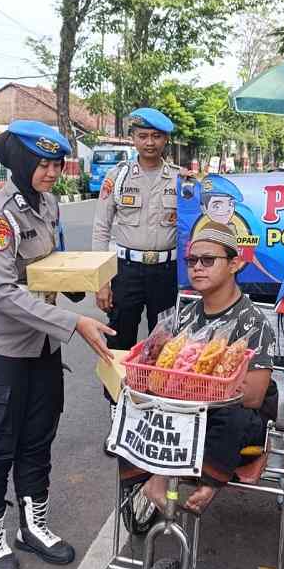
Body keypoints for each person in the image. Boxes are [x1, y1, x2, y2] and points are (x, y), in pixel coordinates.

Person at [0, 120, 115, 569]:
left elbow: (49, 265)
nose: (51, 172)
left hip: (43, 343)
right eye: (43, 164)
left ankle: (34, 526)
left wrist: (80, 281)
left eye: (56, 164)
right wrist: (75, 321)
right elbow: (5, 294)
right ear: (22, 163)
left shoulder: (47, 204)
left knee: (38, 437)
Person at [123, 222, 278, 516]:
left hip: (233, 416)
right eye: (192, 261)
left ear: (234, 264)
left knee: (230, 418)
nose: (198, 268)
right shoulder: (184, 318)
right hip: (184, 410)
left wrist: (194, 390)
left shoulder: (252, 322)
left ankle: (209, 481)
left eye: (208, 260)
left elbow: (254, 397)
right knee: (133, 405)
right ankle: (145, 477)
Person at [92, 108, 180, 399]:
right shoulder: (116, 177)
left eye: (156, 136)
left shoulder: (180, 180)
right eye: (143, 136)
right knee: (119, 340)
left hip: (166, 274)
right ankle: (116, 408)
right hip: (125, 271)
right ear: (133, 139)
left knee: (164, 344)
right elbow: (101, 230)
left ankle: (157, 405)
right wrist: (101, 281)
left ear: (166, 139)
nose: (150, 142)